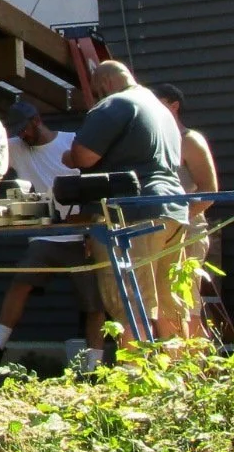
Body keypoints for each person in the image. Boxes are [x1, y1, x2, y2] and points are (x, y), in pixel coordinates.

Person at [63, 60, 187, 339]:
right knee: (169, 303)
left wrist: (68, 157)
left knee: (131, 303)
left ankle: (134, 376)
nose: (97, 98)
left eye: (96, 92)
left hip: (130, 216)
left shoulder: (115, 104)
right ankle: (179, 377)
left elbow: (84, 155)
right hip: (172, 209)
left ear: (105, 83)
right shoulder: (161, 110)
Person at [0, 101, 99, 364]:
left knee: (94, 302)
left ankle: (94, 366)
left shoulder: (72, 142)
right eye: (18, 132)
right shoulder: (17, 148)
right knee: (21, 279)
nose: (23, 136)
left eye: (25, 129)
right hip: (46, 235)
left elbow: (94, 185)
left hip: (81, 233)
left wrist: (91, 229)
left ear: (37, 120)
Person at [152, 83, 224, 338]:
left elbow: (209, 192)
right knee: (166, 303)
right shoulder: (155, 143)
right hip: (162, 232)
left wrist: (179, 220)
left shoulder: (190, 140)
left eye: (159, 104)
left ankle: (201, 371)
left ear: (174, 106)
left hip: (189, 230)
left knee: (187, 304)